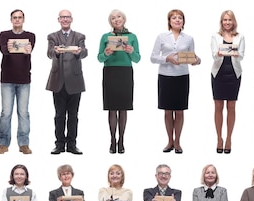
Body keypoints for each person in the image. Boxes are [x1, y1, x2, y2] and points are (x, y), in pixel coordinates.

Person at [150, 9, 200, 154]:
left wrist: (196, 60)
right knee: (167, 111)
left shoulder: (189, 39)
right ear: (169, 21)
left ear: (183, 21)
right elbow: (153, 57)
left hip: (182, 76)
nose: (177, 20)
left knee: (179, 111)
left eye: (180, 18)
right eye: (174, 18)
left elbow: (193, 58)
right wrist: (167, 58)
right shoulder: (161, 37)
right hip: (165, 76)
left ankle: (177, 141)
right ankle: (169, 141)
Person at [97, 9, 140, 154]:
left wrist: (131, 51)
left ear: (124, 19)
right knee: (111, 108)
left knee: (123, 107)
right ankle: (112, 140)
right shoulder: (105, 37)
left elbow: (137, 59)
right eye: (113, 18)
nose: (116, 19)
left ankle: (121, 139)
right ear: (111, 22)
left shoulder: (132, 36)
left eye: (119, 17)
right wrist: (106, 53)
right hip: (110, 72)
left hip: (125, 73)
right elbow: (99, 58)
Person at [46, 10, 87, 155]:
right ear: (58, 19)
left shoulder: (79, 36)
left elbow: (84, 52)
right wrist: (56, 51)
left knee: (73, 115)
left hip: (75, 81)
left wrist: (79, 52)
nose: (65, 19)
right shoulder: (52, 36)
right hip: (58, 81)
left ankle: (71, 144)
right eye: (62, 17)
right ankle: (59, 144)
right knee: (59, 115)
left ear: (71, 19)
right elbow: (49, 53)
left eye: (67, 17)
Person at [0, 10, 36, 155]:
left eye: (20, 17)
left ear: (23, 19)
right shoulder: (4, 35)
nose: (17, 20)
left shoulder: (30, 36)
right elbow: (4, 50)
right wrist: (14, 47)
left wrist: (26, 49)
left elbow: (28, 51)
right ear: (11, 19)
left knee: (23, 112)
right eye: (15, 18)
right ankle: (3, 143)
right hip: (7, 78)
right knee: (6, 113)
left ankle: (24, 143)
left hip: (24, 79)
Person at [211, 10, 244, 154]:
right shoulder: (215, 36)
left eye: (229, 20)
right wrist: (218, 54)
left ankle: (229, 138)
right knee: (218, 106)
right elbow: (213, 55)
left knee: (231, 106)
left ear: (233, 22)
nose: (227, 22)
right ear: (221, 22)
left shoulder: (240, 37)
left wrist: (236, 54)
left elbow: (242, 55)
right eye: (225, 20)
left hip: (234, 73)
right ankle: (219, 138)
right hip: (218, 73)